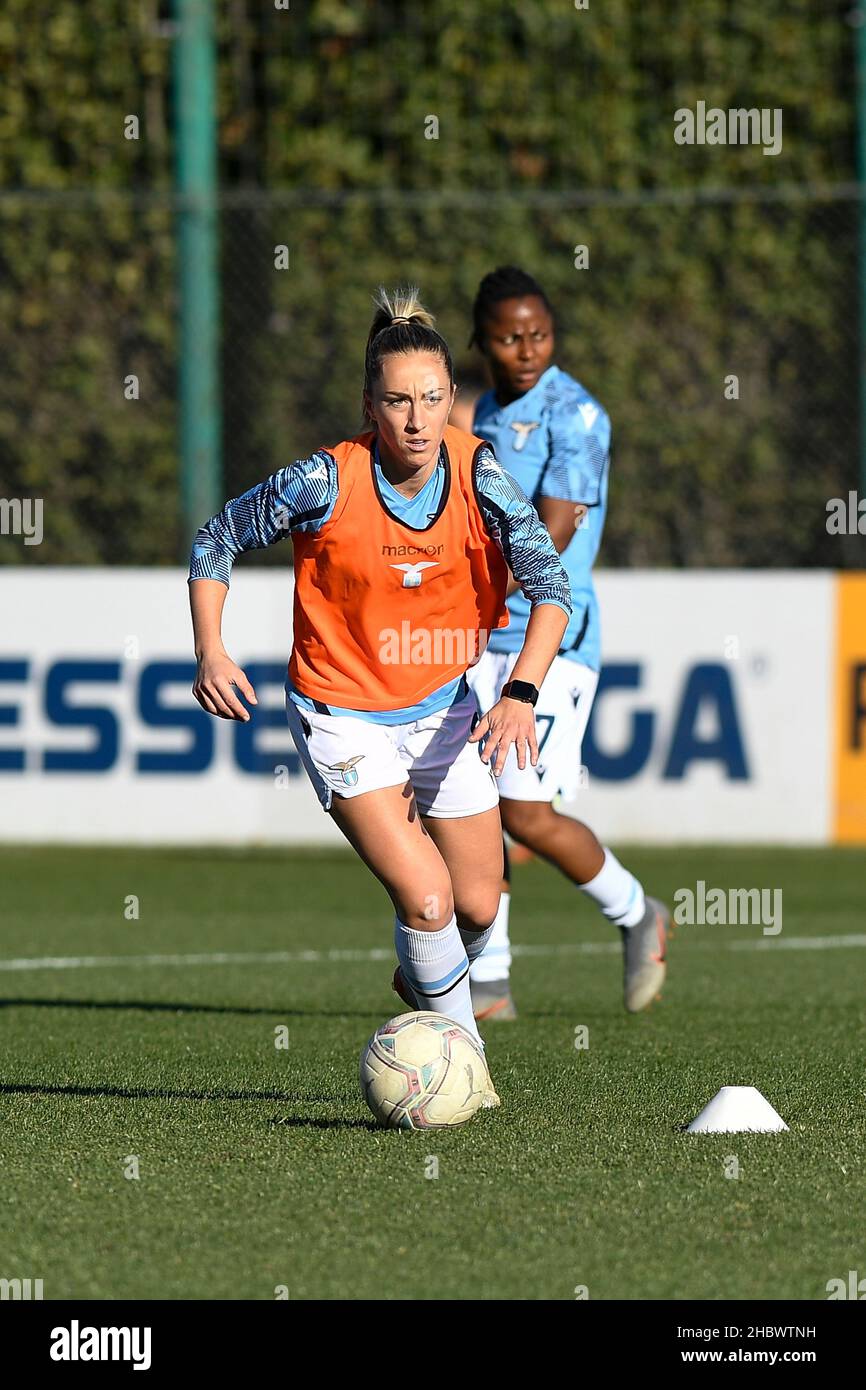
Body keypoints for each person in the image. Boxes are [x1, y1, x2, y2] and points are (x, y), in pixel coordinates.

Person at [187, 286, 572, 1097]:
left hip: (443, 713)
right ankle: (463, 1066)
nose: (418, 419)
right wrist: (211, 651)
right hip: (342, 717)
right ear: (371, 405)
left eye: (434, 399)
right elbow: (217, 535)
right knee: (428, 899)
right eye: (398, 401)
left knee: (478, 904)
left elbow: (550, 586)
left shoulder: (481, 473)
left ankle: (426, 983)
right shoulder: (323, 480)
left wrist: (521, 694)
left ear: (451, 401)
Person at [463, 266, 670, 1021]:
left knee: (524, 814)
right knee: (473, 810)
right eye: (510, 337)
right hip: (483, 633)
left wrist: (459, 582)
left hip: (555, 635)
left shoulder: (576, 414)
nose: (527, 348)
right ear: (482, 341)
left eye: (539, 333)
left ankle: (635, 911)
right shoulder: (481, 408)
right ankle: (490, 984)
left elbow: (549, 535)